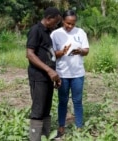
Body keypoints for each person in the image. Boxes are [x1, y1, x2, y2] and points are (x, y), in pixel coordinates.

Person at [50, 9, 89, 139]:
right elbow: (51, 55)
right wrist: (62, 52)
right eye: (67, 23)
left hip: (78, 73)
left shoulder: (81, 32)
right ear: (63, 21)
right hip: (62, 73)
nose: (70, 26)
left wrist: (80, 51)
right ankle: (61, 127)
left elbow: (87, 50)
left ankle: (79, 127)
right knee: (63, 101)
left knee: (78, 101)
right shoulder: (55, 34)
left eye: (72, 24)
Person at [26, 7, 62, 141]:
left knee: (46, 107)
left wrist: (55, 74)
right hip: (38, 76)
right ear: (48, 19)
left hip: (48, 77)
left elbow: (50, 55)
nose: (56, 25)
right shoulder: (36, 30)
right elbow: (30, 54)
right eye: (56, 22)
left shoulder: (48, 33)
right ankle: (35, 138)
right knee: (38, 109)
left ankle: (45, 137)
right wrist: (48, 70)